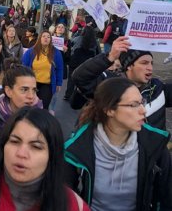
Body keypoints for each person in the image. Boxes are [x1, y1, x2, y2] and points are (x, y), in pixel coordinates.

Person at [0, 107, 90, 211]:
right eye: (14, 141)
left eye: (36, 146)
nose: (21, 153)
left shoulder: (73, 206)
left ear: (52, 156)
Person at [64, 77, 172, 210]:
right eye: (134, 105)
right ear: (109, 109)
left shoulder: (155, 144)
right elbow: (64, 198)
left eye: (142, 102)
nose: (143, 110)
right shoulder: (77, 148)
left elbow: (166, 197)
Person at [72, 36, 172, 130]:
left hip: (152, 148)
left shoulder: (158, 88)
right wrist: (109, 57)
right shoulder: (110, 85)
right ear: (129, 66)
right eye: (144, 63)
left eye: (151, 63)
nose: (150, 67)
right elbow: (80, 77)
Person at [22, 30, 63, 109]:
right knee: (29, 104)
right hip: (32, 83)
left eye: (48, 37)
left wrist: (59, 83)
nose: (46, 38)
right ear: (40, 38)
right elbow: (24, 65)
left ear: (51, 40)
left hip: (47, 84)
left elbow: (59, 68)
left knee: (43, 106)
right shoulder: (31, 51)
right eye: (44, 36)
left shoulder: (56, 53)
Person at [64, 26, 100, 101]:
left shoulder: (77, 39)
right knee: (84, 80)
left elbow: (70, 48)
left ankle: (68, 95)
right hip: (87, 64)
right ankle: (80, 97)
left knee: (71, 80)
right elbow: (98, 53)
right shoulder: (95, 42)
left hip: (75, 62)